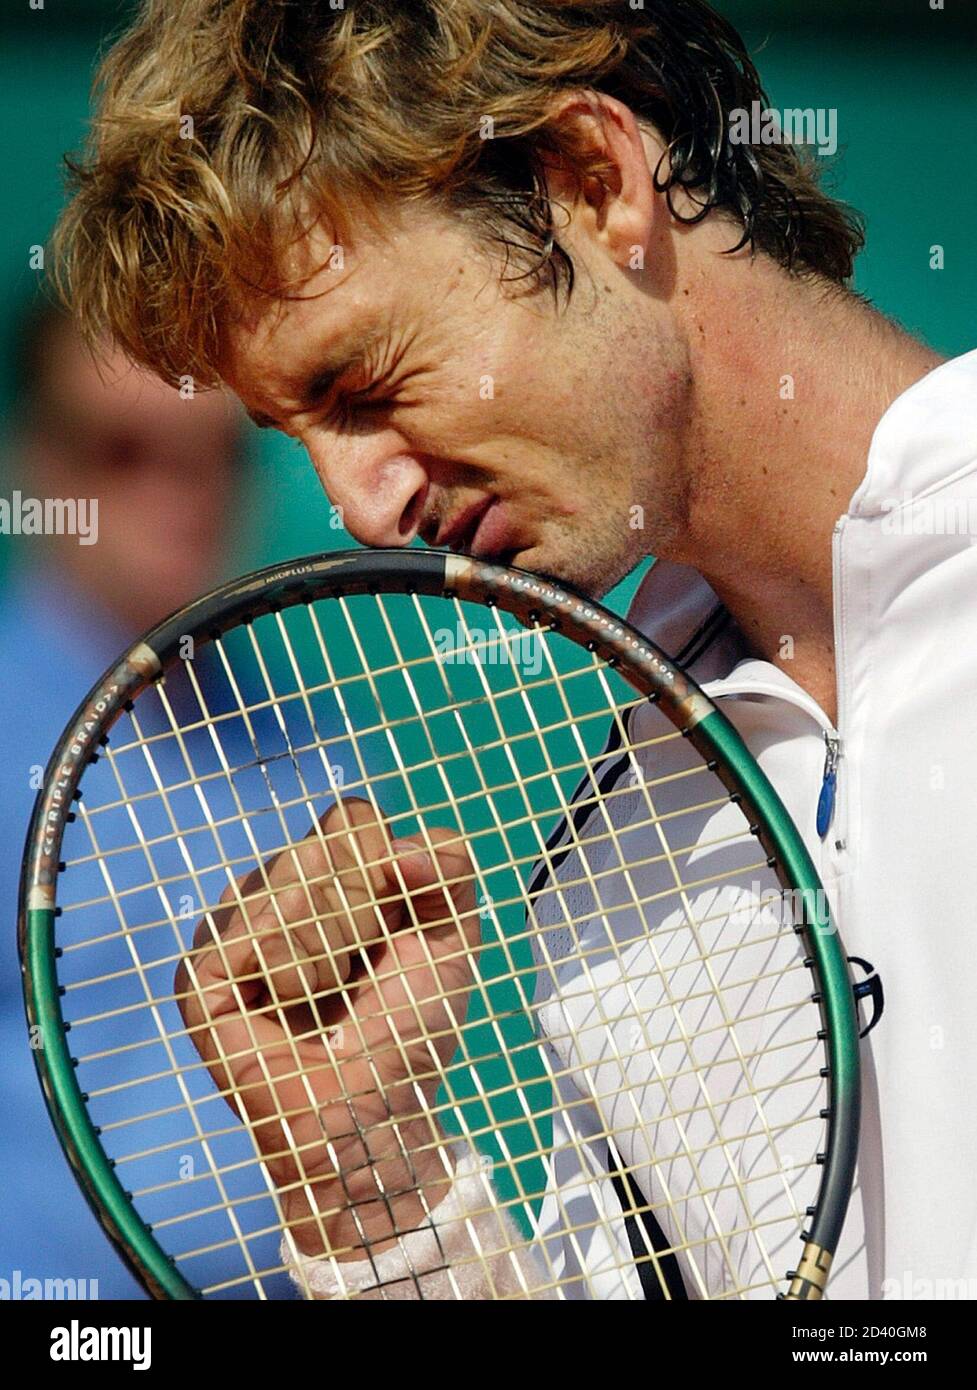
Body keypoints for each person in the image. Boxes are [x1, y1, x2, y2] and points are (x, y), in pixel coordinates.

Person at [49, 0, 975, 1299]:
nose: (362, 507)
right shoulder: (614, 856)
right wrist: (370, 1195)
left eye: (364, 386)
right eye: (297, 436)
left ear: (594, 184)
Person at [0, 298, 244, 1297]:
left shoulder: (311, 735)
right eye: (124, 450)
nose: (175, 492)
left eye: (211, 453)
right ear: (39, 463)